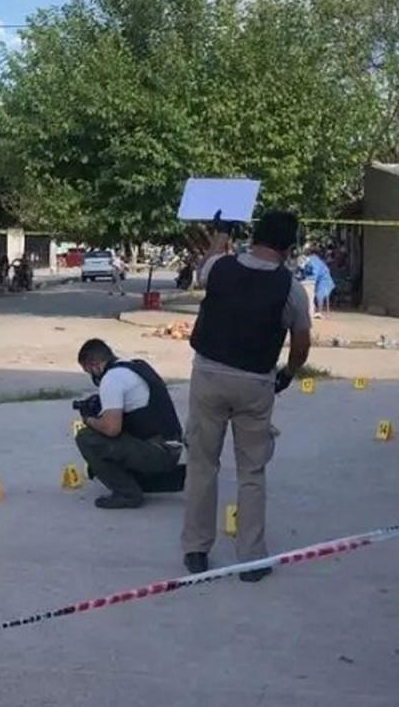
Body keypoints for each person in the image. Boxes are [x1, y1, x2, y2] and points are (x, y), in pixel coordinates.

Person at [182, 211, 311, 581]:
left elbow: (206, 265)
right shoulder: (291, 289)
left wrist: (221, 231)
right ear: (289, 248)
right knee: (251, 470)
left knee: (202, 463)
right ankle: (251, 558)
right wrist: (287, 374)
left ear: (253, 236)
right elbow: (300, 345)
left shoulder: (220, 267)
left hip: (208, 374)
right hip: (255, 382)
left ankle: (196, 549)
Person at [74, 339, 186, 509]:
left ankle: (127, 494)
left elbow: (112, 429)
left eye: (89, 371)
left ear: (95, 365)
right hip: (170, 446)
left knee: (86, 437)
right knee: (110, 442)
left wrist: (88, 419)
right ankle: (171, 478)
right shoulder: (134, 366)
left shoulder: (111, 379)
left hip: (158, 452)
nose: (92, 375)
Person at [301, 248, 335, 319]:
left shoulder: (314, 260)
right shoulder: (313, 260)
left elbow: (315, 273)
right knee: (314, 294)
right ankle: (315, 310)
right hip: (318, 281)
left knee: (320, 294)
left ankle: (320, 311)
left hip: (324, 280)